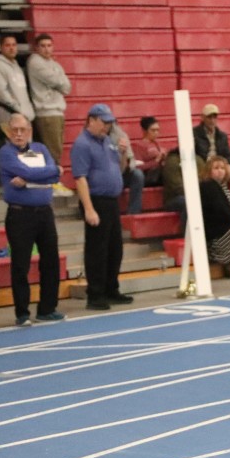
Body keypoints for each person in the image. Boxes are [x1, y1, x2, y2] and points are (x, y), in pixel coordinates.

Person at [0, 113, 63, 326]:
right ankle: (22, 313)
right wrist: (46, 173)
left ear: (30, 131)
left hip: (45, 213)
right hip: (20, 215)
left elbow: (55, 174)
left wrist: (29, 177)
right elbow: (35, 171)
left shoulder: (41, 149)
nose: (18, 134)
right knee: (20, 264)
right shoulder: (6, 152)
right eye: (14, 130)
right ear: (8, 132)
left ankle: (47, 309)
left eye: (22, 130)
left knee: (51, 261)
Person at [71, 103, 134, 310]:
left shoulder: (107, 141)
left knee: (115, 248)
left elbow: (119, 168)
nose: (107, 126)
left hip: (111, 200)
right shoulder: (82, 144)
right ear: (91, 120)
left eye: (109, 123)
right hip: (96, 200)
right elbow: (80, 178)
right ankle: (95, 294)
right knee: (97, 250)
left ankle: (111, 288)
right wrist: (89, 208)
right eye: (104, 122)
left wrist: (123, 154)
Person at [26, 33, 71, 165]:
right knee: (53, 152)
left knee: (56, 150)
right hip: (47, 113)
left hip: (57, 112)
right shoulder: (35, 62)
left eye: (49, 46)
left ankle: (52, 174)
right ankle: (52, 176)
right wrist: (60, 82)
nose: (46, 49)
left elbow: (67, 87)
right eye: (43, 46)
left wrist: (60, 83)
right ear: (36, 48)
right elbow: (55, 80)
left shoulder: (55, 64)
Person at [192, 103, 230, 190]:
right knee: (217, 171)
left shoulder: (222, 135)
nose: (212, 120)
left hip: (220, 165)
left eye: (214, 117)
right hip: (204, 167)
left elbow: (228, 154)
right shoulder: (194, 134)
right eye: (209, 117)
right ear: (202, 118)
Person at [0, 33, 34, 132]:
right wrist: (18, 110)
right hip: (9, 114)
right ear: (1, 47)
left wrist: (27, 112)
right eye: (7, 45)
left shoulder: (17, 67)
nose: (12, 48)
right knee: (13, 142)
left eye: (14, 45)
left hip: (24, 116)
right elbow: (0, 93)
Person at [108, 121, 144, 215]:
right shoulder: (95, 138)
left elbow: (130, 159)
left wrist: (124, 155)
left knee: (138, 175)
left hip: (121, 171)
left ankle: (133, 213)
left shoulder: (121, 135)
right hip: (106, 175)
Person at [131, 116, 166, 187]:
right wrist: (156, 161)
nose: (156, 133)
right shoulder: (138, 146)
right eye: (153, 130)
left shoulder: (156, 144)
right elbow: (138, 167)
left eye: (157, 130)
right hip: (148, 176)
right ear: (144, 131)